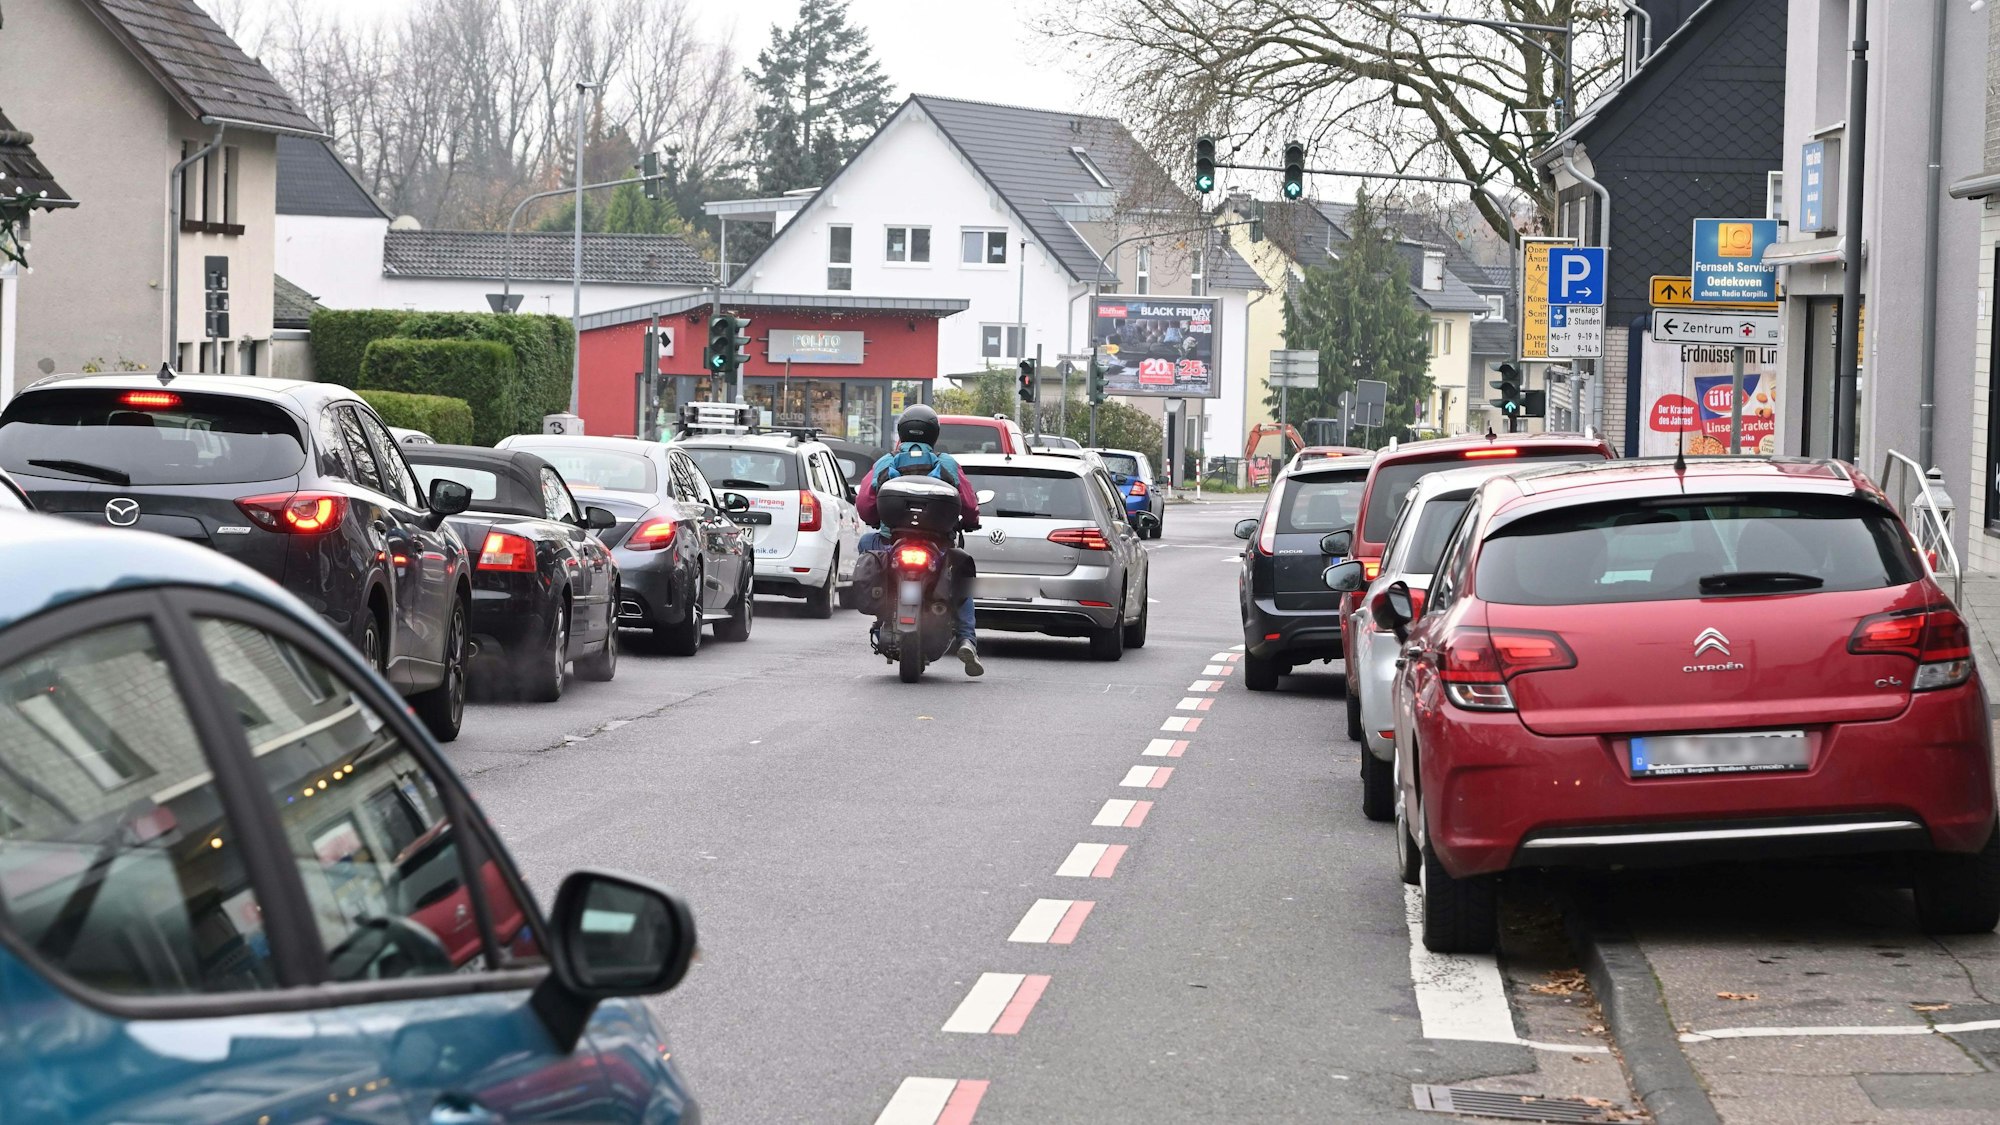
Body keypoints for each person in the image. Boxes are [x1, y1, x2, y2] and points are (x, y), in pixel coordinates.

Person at [855, 404, 984, 676]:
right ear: (934, 434)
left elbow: (865, 505)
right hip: (939, 546)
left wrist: (878, 520)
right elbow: (970, 506)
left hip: (892, 542)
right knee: (963, 578)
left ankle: (882, 612)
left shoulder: (886, 462)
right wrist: (970, 523)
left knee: (866, 544)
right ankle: (967, 639)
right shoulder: (946, 463)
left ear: (901, 431)